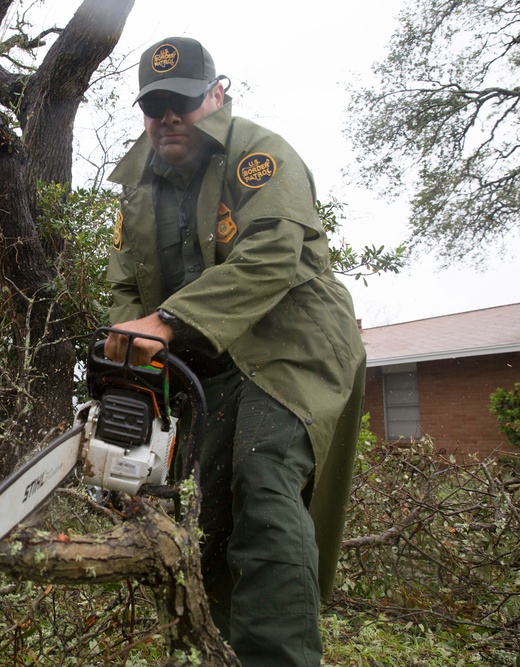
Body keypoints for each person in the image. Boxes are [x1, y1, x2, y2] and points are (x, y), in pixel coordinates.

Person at [103, 36, 366, 666]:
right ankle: (218, 651)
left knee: (263, 476)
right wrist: (130, 361)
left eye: (185, 101)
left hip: (294, 340)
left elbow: (272, 257)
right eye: (155, 103)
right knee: (206, 510)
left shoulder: (260, 154)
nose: (169, 116)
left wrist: (164, 321)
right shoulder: (137, 187)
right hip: (214, 362)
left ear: (216, 95)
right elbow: (125, 287)